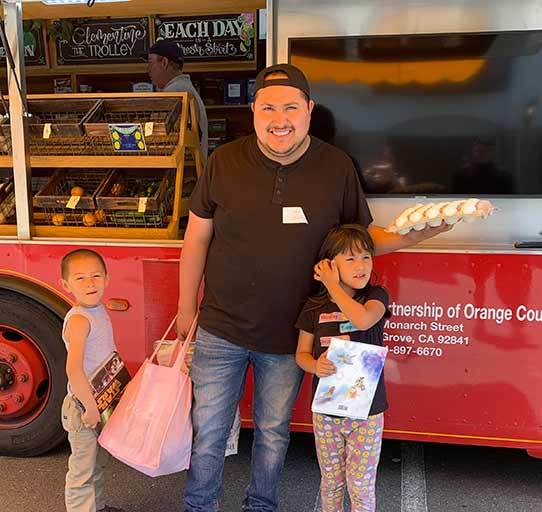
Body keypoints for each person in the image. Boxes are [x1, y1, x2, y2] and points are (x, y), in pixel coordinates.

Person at [177, 63, 447, 512]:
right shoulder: (224, 161)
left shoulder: (335, 166)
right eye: (267, 108)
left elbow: (359, 240)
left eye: (289, 108)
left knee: (271, 432)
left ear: (308, 110)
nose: (278, 119)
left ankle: (260, 507)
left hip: (292, 335)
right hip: (220, 328)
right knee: (207, 431)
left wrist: (412, 236)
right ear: (253, 111)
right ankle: (198, 507)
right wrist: (188, 309)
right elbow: (197, 237)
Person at [295, 225, 391, 512]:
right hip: (326, 413)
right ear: (329, 264)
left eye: (366, 257)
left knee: (360, 485)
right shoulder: (313, 307)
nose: (361, 266)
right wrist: (315, 365)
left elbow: (362, 321)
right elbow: (301, 354)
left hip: (367, 412)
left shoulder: (376, 295)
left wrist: (332, 285)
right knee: (332, 482)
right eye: (350, 259)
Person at [59, 249, 125, 512]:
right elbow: (73, 369)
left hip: (99, 403)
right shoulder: (79, 319)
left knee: (98, 463)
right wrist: (90, 408)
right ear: (66, 285)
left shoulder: (98, 310)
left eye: (96, 276)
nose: (90, 283)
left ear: (107, 279)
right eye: (81, 278)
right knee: (82, 472)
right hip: (83, 407)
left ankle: (97, 507)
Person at [144, 40, 208, 163]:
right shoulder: (182, 89)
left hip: (183, 173)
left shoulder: (175, 93)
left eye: (150, 63)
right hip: (189, 171)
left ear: (164, 62)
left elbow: (162, 138)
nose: (148, 70)